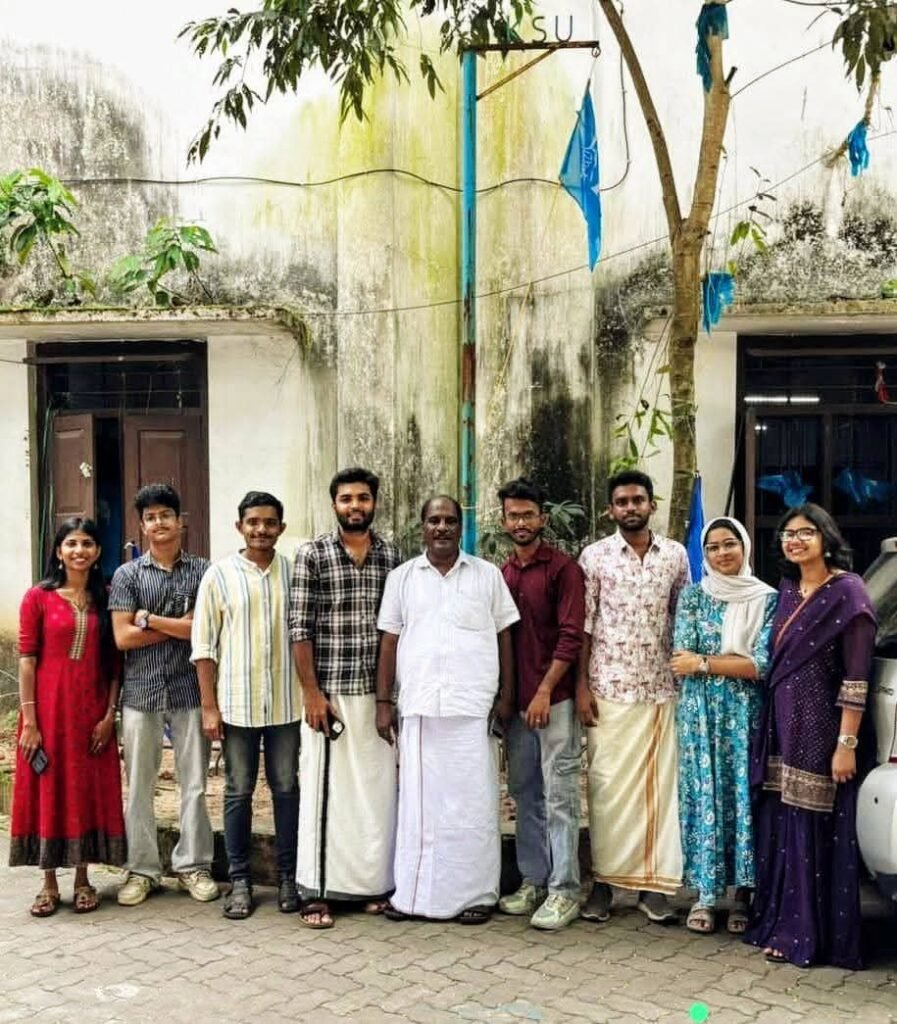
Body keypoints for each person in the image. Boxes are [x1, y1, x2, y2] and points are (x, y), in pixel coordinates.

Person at [376, 495, 520, 924]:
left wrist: (507, 695)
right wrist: (383, 702)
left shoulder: (487, 576)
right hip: (421, 707)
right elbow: (389, 641)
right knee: (419, 808)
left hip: (473, 709)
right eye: (434, 520)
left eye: (449, 520)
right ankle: (413, 897)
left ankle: (477, 894)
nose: (441, 527)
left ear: (460, 527)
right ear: (422, 526)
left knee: (474, 804)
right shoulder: (402, 578)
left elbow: (505, 636)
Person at [745, 504, 876, 969]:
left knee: (811, 829)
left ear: (826, 537)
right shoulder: (786, 592)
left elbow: (856, 679)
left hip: (822, 731)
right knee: (781, 826)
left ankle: (806, 935)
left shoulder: (848, 593)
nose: (794, 540)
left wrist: (846, 745)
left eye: (805, 532)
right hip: (781, 726)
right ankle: (779, 921)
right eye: (787, 534)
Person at [289, 467, 400, 929]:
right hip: (329, 694)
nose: (355, 506)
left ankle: (372, 887)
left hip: (376, 694)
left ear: (374, 502)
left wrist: (388, 699)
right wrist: (312, 693)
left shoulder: (391, 555)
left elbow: (396, 628)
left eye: (363, 498)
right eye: (347, 499)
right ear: (334, 504)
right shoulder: (312, 554)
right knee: (325, 793)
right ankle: (317, 892)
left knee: (375, 794)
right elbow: (299, 628)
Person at [577, 469, 689, 924]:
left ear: (651, 504)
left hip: (661, 690)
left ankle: (650, 888)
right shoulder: (595, 557)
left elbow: (682, 617)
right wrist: (581, 687)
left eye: (637, 500)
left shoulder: (675, 555)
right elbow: (585, 625)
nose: (630, 507)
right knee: (605, 789)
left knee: (656, 795)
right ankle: (604, 884)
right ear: (611, 509)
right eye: (622, 501)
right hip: (609, 689)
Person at [192, 491, 302, 920]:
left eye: (269, 522)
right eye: (253, 522)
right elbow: (204, 647)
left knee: (286, 788)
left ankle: (288, 877)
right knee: (238, 790)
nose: (261, 529)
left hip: (287, 706)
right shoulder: (219, 576)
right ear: (239, 526)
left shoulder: (294, 572)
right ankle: (239, 881)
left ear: (281, 528)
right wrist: (209, 706)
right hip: (236, 706)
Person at [9, 518, 126, 916]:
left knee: (85, 790)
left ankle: (82, 880)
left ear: (97, 552)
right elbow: (27, 660)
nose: (80, 550)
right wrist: (30, 722)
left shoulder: (105, 598)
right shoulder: (38, 598)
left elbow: (114, 666)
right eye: (72, 543)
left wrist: (109, 716)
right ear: (59, 551)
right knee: (49, 790)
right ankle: (48, 884)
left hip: (91, 715)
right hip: (47, 714)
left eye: (87, 543)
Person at [109, 483, 218, 906]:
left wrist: (150, 619)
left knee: (195, 784)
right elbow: (123, 637)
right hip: (141, 692)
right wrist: (179, 626)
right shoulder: (127, 575)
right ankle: (142, 870)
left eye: (165, 515)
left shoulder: (204, 572)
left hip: (191, 689)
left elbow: (203, 630)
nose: (159, 523)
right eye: (151, 517)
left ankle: (193, 865)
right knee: (140, 785)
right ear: (142, 525)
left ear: (180, 521)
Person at [671, 517, 776, 935]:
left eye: (729, 543)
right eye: (712, 547)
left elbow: (761, 664)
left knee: (742, 797)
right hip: (699, 715)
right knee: (705, 796)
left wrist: (704, 663)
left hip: (745, 714)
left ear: (744, 546)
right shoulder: (694, 595)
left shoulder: (767, 599)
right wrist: (722, 663)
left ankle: (743, 895)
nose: (721, 553)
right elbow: (681, 657)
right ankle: (705, 894)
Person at [496, 478, 585, 931]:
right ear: (503, 521)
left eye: (528, 514)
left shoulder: (563, 570)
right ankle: (534, 880)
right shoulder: (502, 575)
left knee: (561, 795)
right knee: (525, 793)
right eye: (513, 515)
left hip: (555, 702)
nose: (521, 522)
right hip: (517, 707)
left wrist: (546, 691)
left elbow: (571, 636)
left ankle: (565, 890)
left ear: (542, 518)